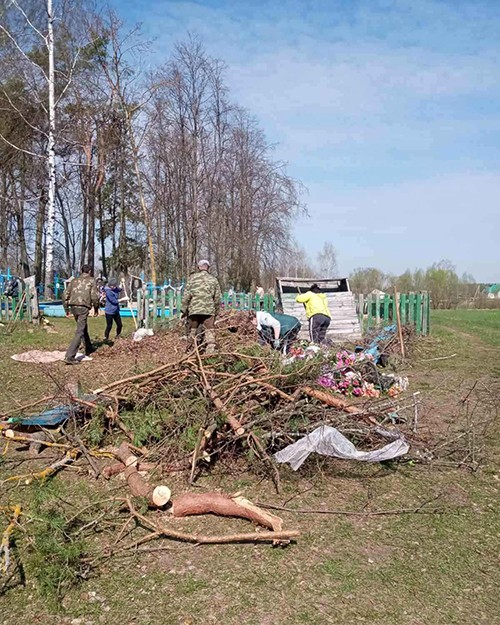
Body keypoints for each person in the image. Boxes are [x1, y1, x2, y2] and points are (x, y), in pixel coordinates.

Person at [181, 259, 222, 354]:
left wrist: (183, 310)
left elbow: (186, 296)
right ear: (208, 267)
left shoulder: (192, 278)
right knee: (209, 330)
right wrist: (216, 311)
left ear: (199, 267)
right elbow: (217, 298)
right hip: (208, 310)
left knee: (193, 330)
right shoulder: (214, 280)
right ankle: (210, 352)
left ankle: (191, 351)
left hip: (194, 309)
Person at [63, 264, 100, 365]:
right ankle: (69, 356)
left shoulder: (74, 280)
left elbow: (65, 295)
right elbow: (94, 296)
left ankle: (88, 347)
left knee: (83, 326)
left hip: (73, 306)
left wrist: (66, 309)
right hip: (83, 306)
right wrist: (96, 308)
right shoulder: (92, 280)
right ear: (90, 271)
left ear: (81, 271)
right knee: (80, 331)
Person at [103, 277, 124, 342]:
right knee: (109, 326)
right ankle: (106, 338)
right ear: (110, 285)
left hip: (116, 311)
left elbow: (119, 289)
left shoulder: (115, 288)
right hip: (109, 312)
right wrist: (123, 299)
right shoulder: (108, 291)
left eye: (115, 286)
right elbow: (114, 301)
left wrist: (121, 283)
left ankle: (118, 335)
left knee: (120, 325)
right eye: (112, 286)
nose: (114, 287)